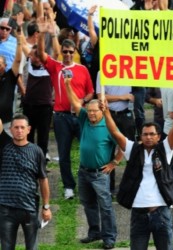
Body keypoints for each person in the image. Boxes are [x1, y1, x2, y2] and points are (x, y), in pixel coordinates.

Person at [101, 90, 173, 250]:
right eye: (145, 134)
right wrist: (106, 111)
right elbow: (115, 132)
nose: (148, 137)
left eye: (152, 134)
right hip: (138, 214)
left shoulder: (165, 148)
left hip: (161, 213)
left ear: (158, 136)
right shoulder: (132, 149)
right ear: (140, 136)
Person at [37, 19, 94, 199]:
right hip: (61, 117)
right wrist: (43, 33)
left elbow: (91, 92)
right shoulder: (56, 67)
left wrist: (82, 101)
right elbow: (40, 53)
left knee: (88, 149)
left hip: (80, 116)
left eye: (70, 51)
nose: (68, 54)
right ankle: (68, 186)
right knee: (63, 153)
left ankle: (89, 183)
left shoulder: (83, 69)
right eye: (65, 52)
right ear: (61, 53)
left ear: (74, 52)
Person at [64, 77, 123, 250]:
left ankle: (109, 237)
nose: (90, 114)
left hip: (100, 174)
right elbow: (75, 104)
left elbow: (123, 146)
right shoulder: (84, 120)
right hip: (83, 172)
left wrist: (114, 162)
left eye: (94, 111)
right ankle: (94, 232)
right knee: (88, 203)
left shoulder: (109, 126)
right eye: (89, 111)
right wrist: (68, 85)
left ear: (102, 111)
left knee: (105, 207)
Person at [0, 114, 52, 250]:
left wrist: (46, 207)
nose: (19, 130)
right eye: (16, 127)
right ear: (10, 129)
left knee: (32, 247)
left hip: (29, 208)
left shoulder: (37, 151)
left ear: (29, 129)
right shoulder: (3, 146)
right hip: (6, 208)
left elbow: (43, 179)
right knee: (6, 247)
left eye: (22, 127)